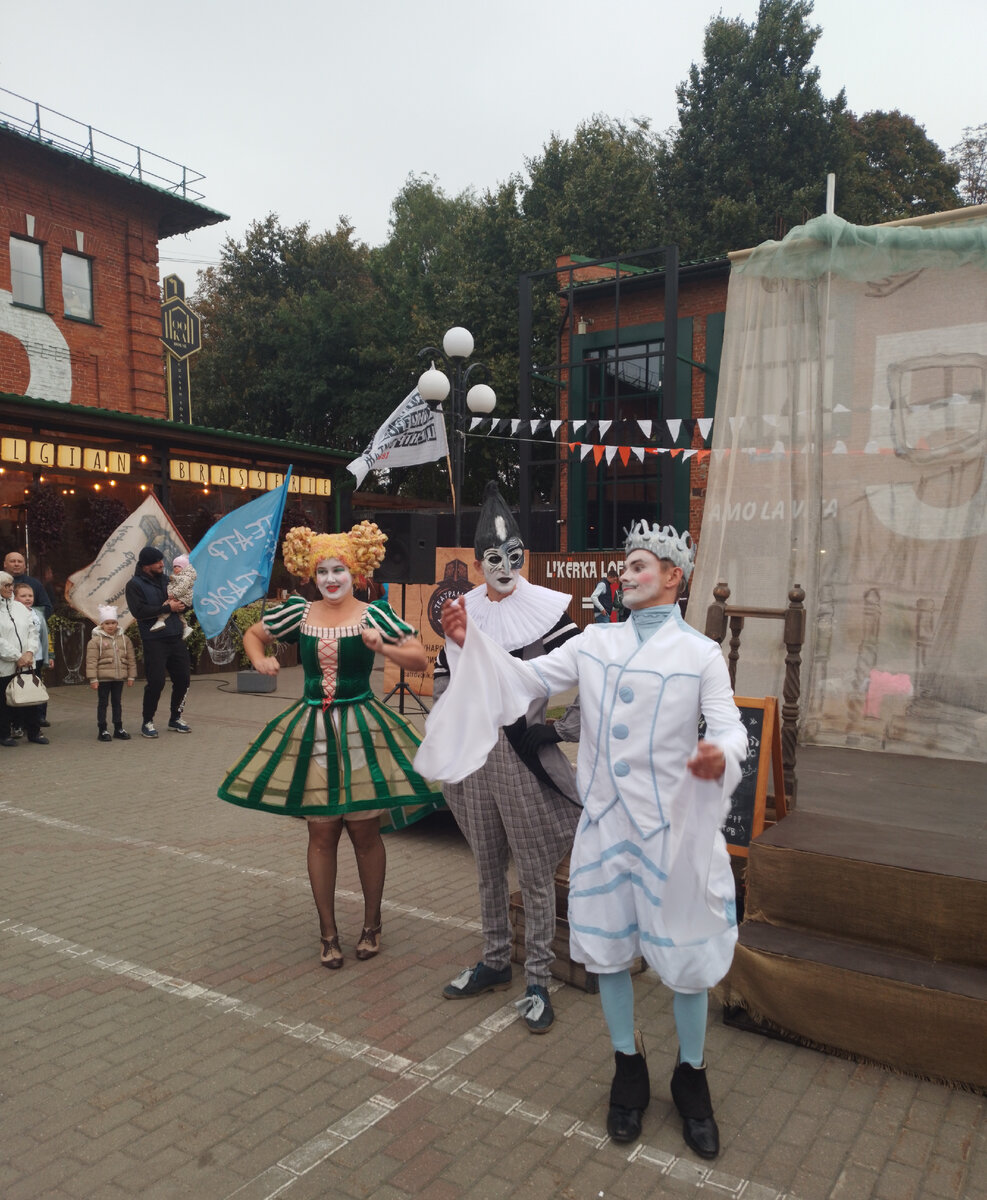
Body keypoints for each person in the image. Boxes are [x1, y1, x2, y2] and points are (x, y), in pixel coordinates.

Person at [417, 522, 748, 1159]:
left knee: (686, 964)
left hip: (671, 831)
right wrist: (468, 642)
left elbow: (731, 727)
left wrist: (719, 757)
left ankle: (692, 1074)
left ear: (673, 577)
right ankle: (628, 1063)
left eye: (641, 565)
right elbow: (523, 681)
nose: (626, 574)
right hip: (607, 827)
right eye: (624, 565)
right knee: (606, 949)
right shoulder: (595, 641)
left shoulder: (701, 653)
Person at [218, 521, 444, 970]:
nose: (331, 578)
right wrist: (260, 657)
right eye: (322, 571)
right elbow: (254, 634)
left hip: (361, 728)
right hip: (313, 729)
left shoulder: (373, 613)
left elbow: (419, 656)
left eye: (339, 569)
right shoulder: (298, 612)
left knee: (364, 832)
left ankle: (371, 924)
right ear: (311, 574)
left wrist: (386, 648)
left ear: (355, 570)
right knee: (321, 833)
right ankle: (328, 933)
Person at [433, 481, 581, 1034]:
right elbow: (445, 686)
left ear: (525, 555)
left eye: (513, 556)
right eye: (493, 558)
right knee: (487, 864)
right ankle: (496, 961)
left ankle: (539, 976)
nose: (504, 565)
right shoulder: (461, 613)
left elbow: (584, 675)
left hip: (525, 756)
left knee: (536, 868)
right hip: (478, 758)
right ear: (477, 563)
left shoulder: (549, 612)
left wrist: (557, 729)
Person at [124, 545, 191, 739]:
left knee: (184, 680)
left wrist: (182, 605)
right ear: (146, 565)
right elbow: (139, 611)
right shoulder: (134, 585)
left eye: (162, 560)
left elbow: (180, 602)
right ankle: (148, 720)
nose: (162, 564)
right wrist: (167, 608)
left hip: (175, 635)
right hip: (154, 639)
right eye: (157, 562)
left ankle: (176, 717)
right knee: (156, 682)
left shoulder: (167, 580)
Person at [0, 571, 46, 746]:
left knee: (30, 697)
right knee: (4, 701)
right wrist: (16, 656)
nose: (10, 588)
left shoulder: (20, 608)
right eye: (6, 585)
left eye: (11, 584)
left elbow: (32, 632)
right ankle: (4, 734)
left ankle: (34, 732)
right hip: (4, 664)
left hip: (27, 662)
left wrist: (29, 653)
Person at [86, 604, 137, 741]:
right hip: (103, 679)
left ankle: (118, 728)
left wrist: (131, 676)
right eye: (107, 623)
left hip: (118, 678)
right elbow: (91, 661)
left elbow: (131, 658)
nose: (110, 626)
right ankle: (102, 729)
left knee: (117, 702)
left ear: (117, 623)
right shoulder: (95, 641)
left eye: (113, 622)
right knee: (103, 703)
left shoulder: (125, 640)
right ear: (102, 624)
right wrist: (93, 678)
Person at [13, 582, 50, 730]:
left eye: (30, 595)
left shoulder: (37, 613)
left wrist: (49, 656)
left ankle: (35, 722)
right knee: (19, 691)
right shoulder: (13, 614)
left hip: (37, 658)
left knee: (35, 689)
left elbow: (44, 636)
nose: (28, 598)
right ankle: (17, 723)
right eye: (23, 596)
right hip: (19, 660)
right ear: (15, 598)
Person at [150, 554, 196, 639]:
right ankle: (185, 627)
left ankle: (161, 620)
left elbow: (182, 588)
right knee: (179, 614)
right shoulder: (178, 577)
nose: (176, 568)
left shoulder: (184, 578)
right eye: (174, 566)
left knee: (167, 604)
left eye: (179, 566)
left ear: (184, 568)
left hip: (181, 597)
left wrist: (174, 594)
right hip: (181, 598)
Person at [3, 550, 53, 620]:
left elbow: (47, 608)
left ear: (24, 566)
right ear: (5, 564)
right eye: (12, 561)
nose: (16, 564)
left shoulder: (35, 584)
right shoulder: (1, 582)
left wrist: (28, 613)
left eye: (20, 562)